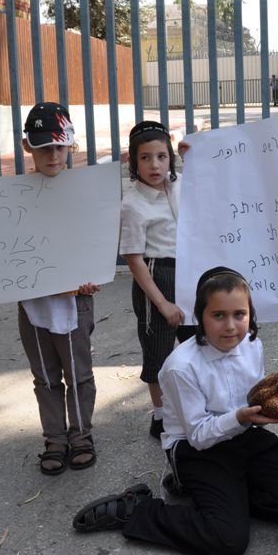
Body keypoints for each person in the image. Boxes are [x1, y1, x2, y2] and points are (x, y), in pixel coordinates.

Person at [72, 267, 278, 555]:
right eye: (218, 315)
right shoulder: (181, 367)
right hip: (197, 447)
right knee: (228, 540)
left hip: (245, 434)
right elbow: (198, 435)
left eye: (239, 314)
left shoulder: (253, 344)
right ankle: (138, 509)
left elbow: (255, 397)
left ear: (250, 314)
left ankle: (224, 500)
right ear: (200, 315)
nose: (230, 326)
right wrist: (240, 417)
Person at [0, 102, 100, 475]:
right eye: (43, 148)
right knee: (45, 377)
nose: (52, 155)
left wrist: (90, 277)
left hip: (74, 305)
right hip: (33, 308)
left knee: (79, 375)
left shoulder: (86, 193)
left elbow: (95, 245)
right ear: (28, 147)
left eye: (58, 146)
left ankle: (81, 434)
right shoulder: (11, 199)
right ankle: (55, 438)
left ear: (71, 144)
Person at [120, 121, 197, 439]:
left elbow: (210, 185)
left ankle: (197, 405)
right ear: (133, 161)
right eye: (146, 158)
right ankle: (161, 415)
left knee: (197, 343)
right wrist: (162, 303)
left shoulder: (180, 185)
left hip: (190, 272)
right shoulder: (133, 205)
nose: (155, 165)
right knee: (158, 350)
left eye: (162, 156)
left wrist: (195, 157)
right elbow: (134, 259)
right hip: (156, 277)